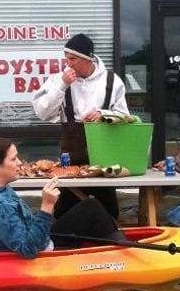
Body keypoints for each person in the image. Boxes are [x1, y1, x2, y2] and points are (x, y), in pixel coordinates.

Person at [0, 137, 122, 258]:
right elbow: (28, 250)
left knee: (89, 207)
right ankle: (126, 254)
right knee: (92, 209)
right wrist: (46, 206)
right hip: (41, 249)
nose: (20, 163)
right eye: (13, 159)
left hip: (39, 238)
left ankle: (117, 249)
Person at [32, 32, 130, 218]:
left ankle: (107, 241)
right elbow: (42, 112)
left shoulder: (112, 80)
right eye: (66, 58)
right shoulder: (58, 79)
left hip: (104, 157)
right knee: (66, 212)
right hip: (70, 159)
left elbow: (126, 118)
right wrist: (62, 86)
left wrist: (104, 114)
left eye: (73, 59)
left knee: (108, 213)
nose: (67, 63)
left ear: (88, 59)